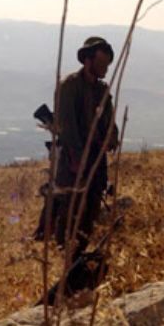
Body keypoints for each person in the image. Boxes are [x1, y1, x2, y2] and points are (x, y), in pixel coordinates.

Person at [49, 36, 119, 256]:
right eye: (101, 63)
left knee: (92, 204)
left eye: (107, 64)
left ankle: (81, 250)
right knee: (72, 204)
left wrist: (112, 138)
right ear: (87, 60)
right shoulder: (69, 86)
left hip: (97, 157)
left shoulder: (102, 90)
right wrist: (77, 158)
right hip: (74, 157)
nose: (105, 68)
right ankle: (64, 250)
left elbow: (110, 122)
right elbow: (67, 126)